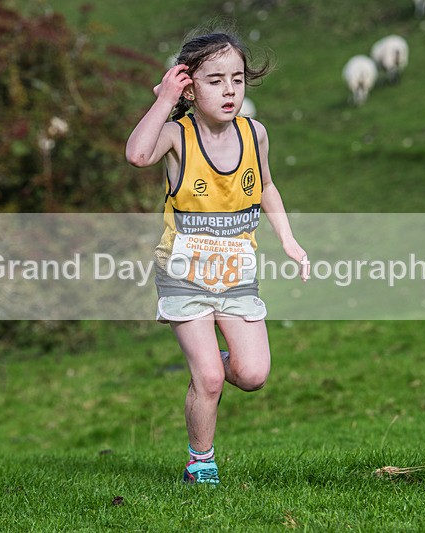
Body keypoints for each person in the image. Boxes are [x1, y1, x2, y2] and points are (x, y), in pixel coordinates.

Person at [125, 30, 309, 485]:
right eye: (214, 81)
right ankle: (200, 463)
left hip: (237, 275)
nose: (229, 90)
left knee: (252, 373)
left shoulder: (255, 133)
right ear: (189, 86)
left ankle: (211, 355)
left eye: (237, 79)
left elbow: (265, 187)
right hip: (184, 274)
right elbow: (136, 154)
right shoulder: (175, 135)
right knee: (208, 378)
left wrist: (288, 239)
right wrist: (165, 99)